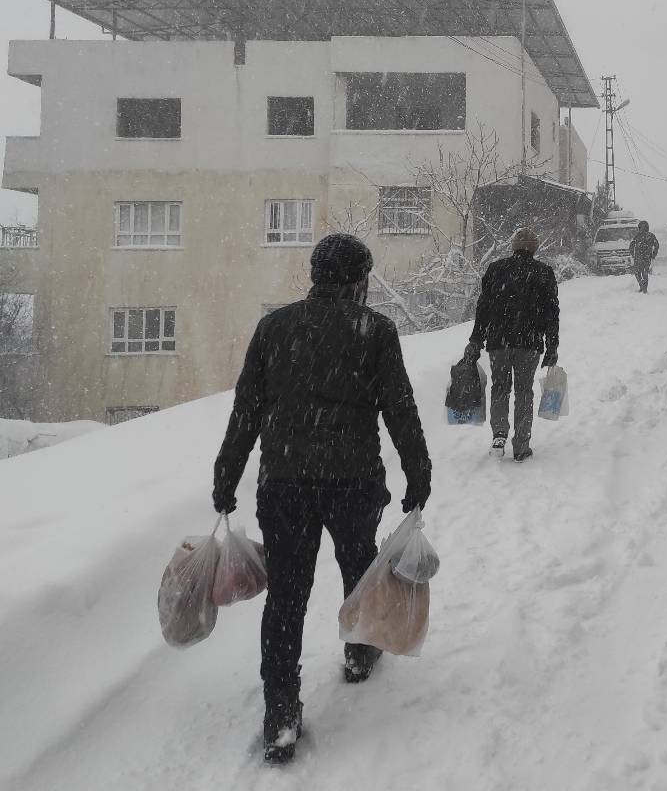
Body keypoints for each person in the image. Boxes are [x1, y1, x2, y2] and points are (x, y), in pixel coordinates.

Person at [212, 232, 431, 766]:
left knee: (286, 595)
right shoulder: (373, 330)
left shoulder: (274, 328)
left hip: (285, 480)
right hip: (352, 480)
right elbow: (397, 405)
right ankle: (360, 650)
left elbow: (246, 409)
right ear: (359, 280)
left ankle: (281, 712)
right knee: (360, 569)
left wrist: (226, 475)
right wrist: (417, 469)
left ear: (316, 275)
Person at [464, 227, 559, 462]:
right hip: (529, 344)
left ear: (514, 247)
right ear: (534, 249)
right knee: (524, 392)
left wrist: (476, 340)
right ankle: (521, 445)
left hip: (499, 343)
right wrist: (552, 347)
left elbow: (483, 307)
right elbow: (551, 314)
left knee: (500, 388)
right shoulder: (543, 272)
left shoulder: (496, 269)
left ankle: (499, 433)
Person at [630, 220, 660, 293]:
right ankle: (643, 288)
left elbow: (631, 246)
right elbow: (656, 245)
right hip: (644, 257)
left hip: (642, 257)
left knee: (640, 273)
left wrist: (633, 254)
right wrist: (653, 255)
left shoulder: (641, 235)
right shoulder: (646, 235)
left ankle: (642, 287)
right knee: (642, 273)